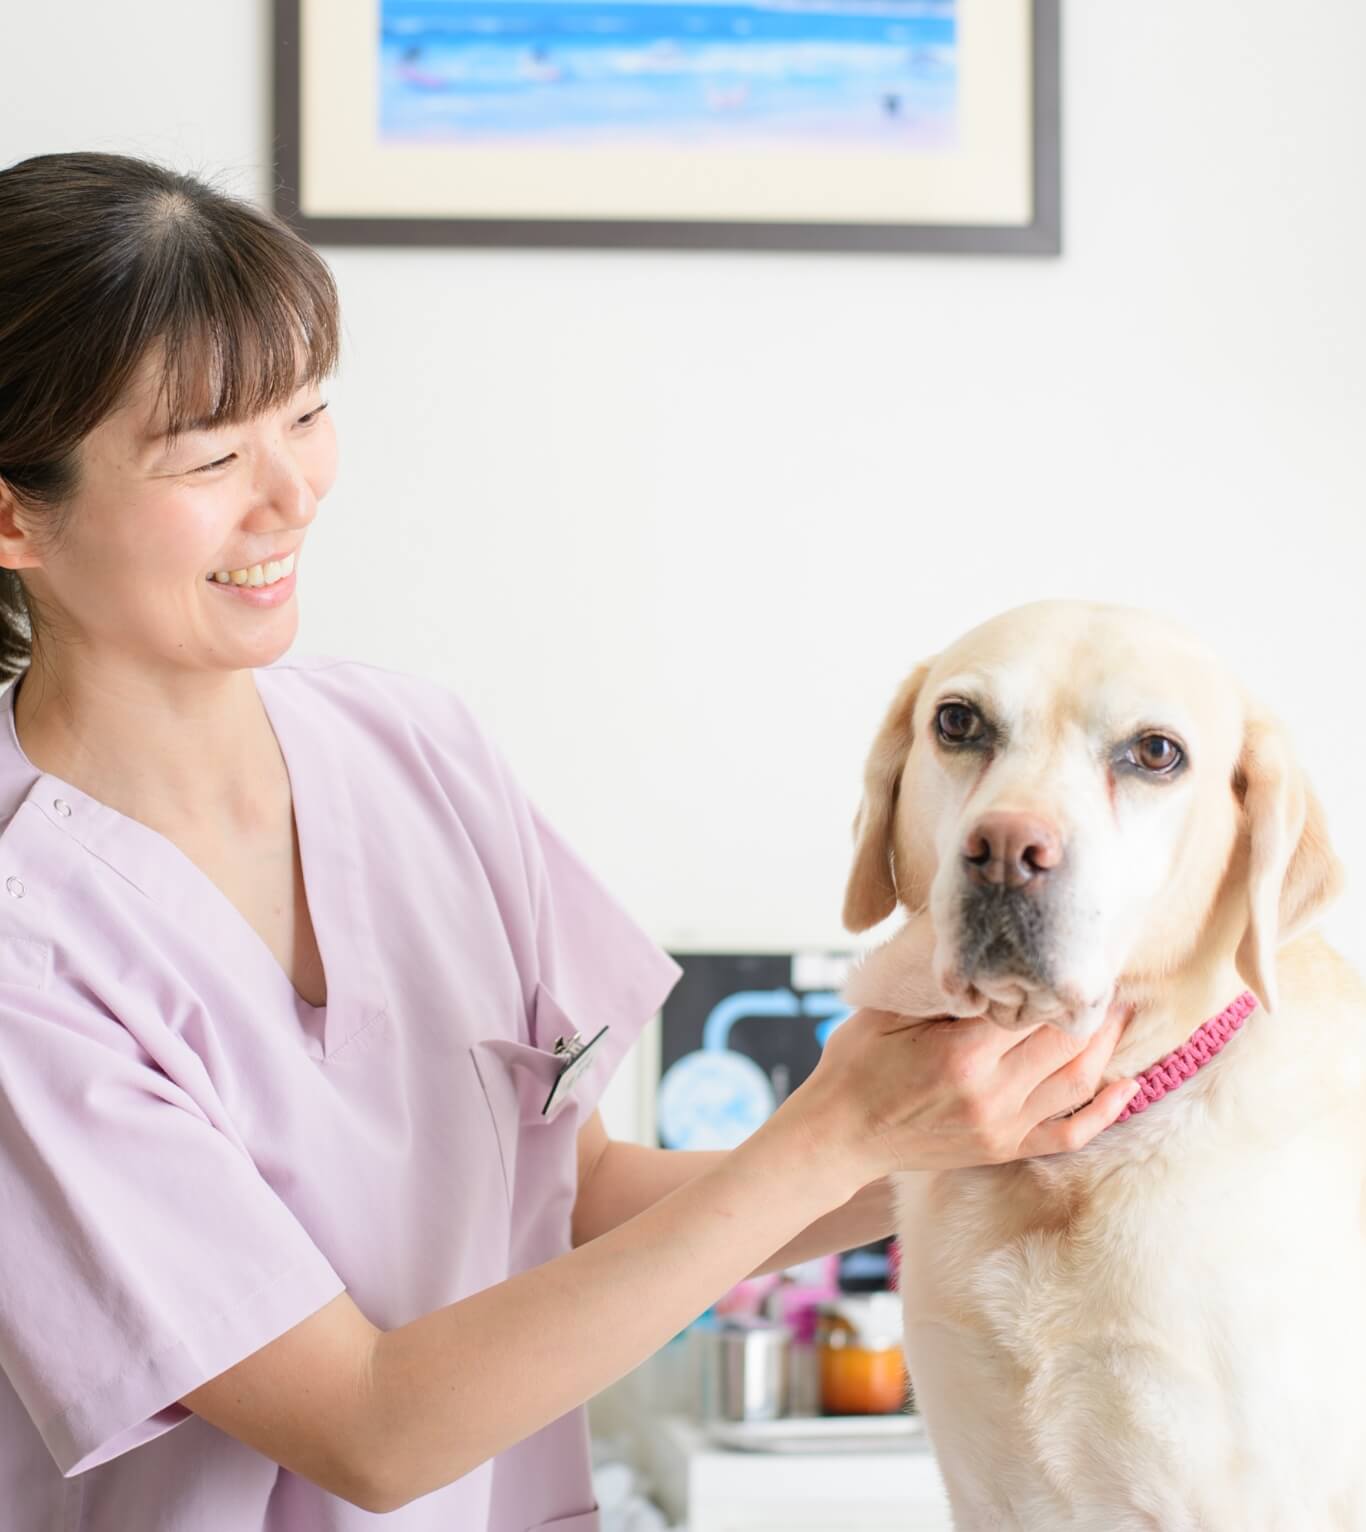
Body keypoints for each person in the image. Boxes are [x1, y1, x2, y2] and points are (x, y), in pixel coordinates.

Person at [0, 151, 1137, 1531]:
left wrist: (953, 1134)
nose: (291, 493)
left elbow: (583, 1198)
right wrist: (830, 1134)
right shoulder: (30, 944)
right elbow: (364, 1425)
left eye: (306, 415)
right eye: (213, 455)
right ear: (16, 513)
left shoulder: (415, 751)